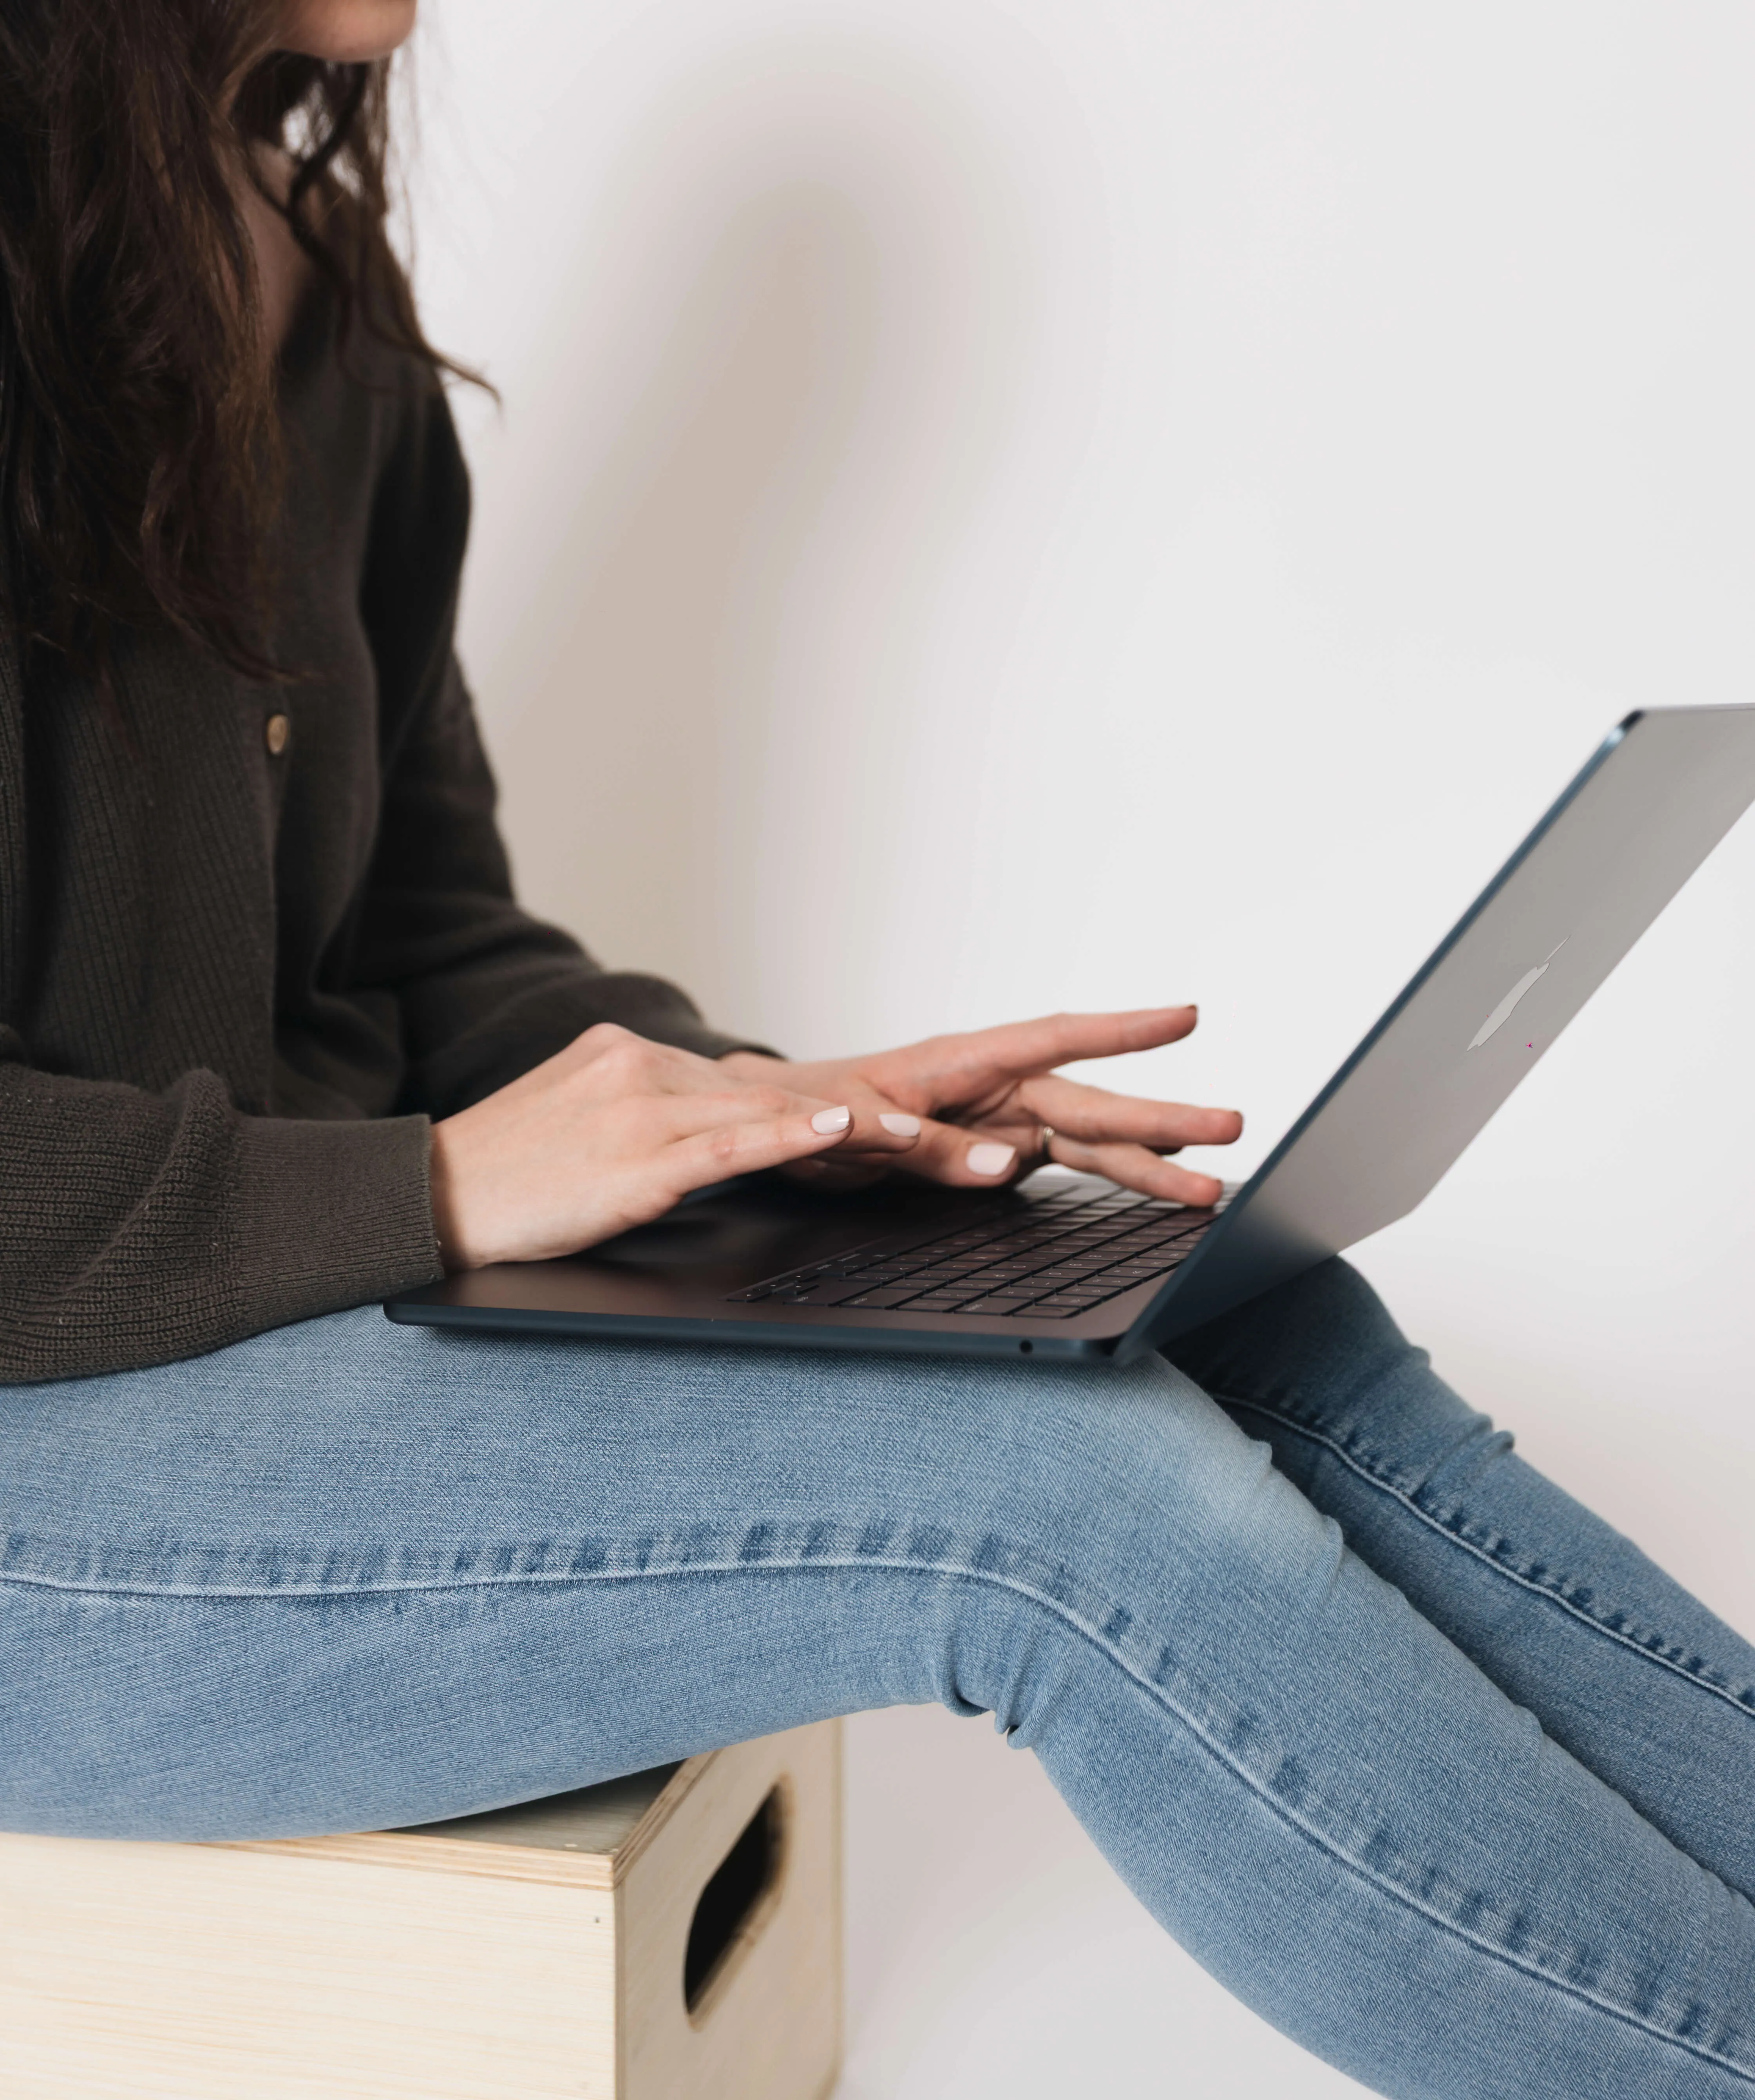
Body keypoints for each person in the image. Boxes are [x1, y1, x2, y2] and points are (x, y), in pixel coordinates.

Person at [0, 5, 1750, 2095]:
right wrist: (438, 1184)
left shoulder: (311, 300)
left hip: (270, 1321)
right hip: (51, 1459)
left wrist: (788, 1119)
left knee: (1232, 1319)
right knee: (1050, 1498)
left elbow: (417, 937)